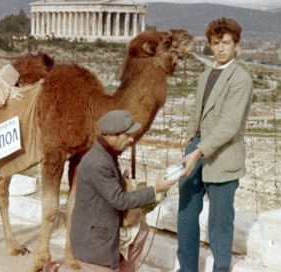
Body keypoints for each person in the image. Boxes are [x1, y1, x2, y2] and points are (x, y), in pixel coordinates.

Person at [44, 109, 179, 272]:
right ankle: (58, 270)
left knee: (141, 230)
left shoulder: (107, 154)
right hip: (93, 241)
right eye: (127, 135)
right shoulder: (97, 161)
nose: (131, 139)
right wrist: (156, 189)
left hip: (104, 227)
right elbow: (119, 200)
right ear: (111, 136)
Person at [176, 17, 254, 272]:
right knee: (186, 216)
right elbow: (194, 115)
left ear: (237, 45)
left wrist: (197, 151)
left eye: (226, 43)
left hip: (222, 156)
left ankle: (221, 269)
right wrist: (189, 145)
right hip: (195, 152)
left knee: (220, 223)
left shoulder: (241, 79)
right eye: (216, 43)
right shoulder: (205, 75)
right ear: (210, 44)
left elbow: (229, 125)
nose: (221, 48)